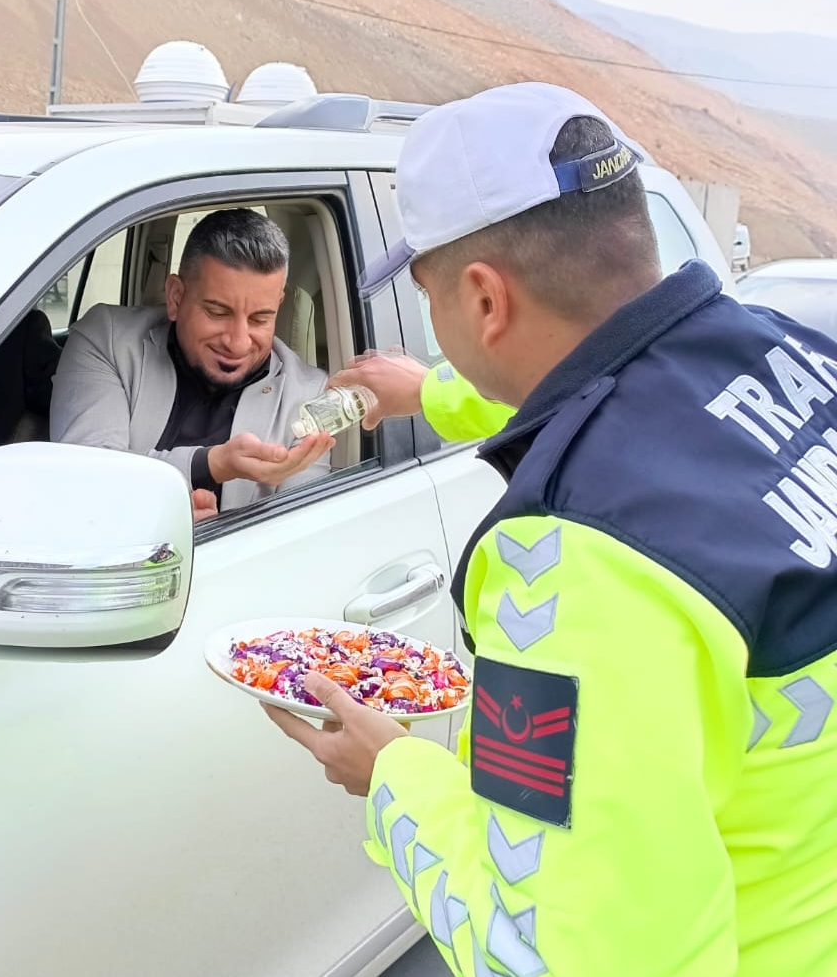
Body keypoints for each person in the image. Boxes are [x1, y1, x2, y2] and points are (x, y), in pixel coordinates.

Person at [265, 81, 837, 976]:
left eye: (432, 298)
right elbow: (601, 373)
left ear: (485, 300)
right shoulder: (788, 361)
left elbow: (543, 954)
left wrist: (394, 782)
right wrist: (429, 392)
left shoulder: (578, 561)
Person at [50, 209, 334, 522]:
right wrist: (211, 464)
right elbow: (87, 480)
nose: (237, 343)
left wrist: (216, 537)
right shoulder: (107, 340)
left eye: (259, 319)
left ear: (278, 308)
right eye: (217, 313)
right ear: (175, 297)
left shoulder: (308, 396)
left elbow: (302, 531)